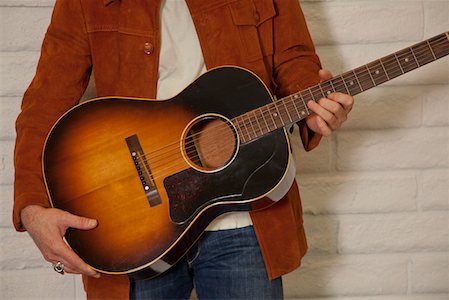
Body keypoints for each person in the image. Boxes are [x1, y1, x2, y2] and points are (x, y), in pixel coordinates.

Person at [14, 0, 353, 299]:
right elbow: (45, 102)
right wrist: (32, 208)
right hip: (134, 229)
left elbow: (295, 59)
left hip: (248, 220)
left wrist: (313, 107)